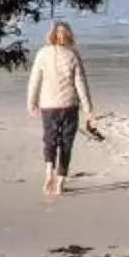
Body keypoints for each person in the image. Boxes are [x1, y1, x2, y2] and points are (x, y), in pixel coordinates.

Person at [27, 22, 97, 199]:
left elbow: (34, 80)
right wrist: (88, 108)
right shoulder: (73, 54)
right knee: (66, 143)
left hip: (48, 105)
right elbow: (80, 83)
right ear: (69, 35)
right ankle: (60, 183)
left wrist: (31, 102)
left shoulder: (42, 53)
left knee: (50, 140)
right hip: (69, 105)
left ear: (51, 35)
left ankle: (49, 172)